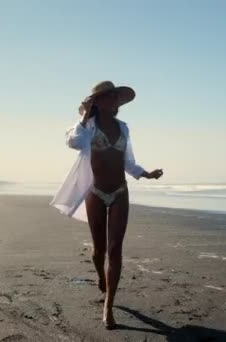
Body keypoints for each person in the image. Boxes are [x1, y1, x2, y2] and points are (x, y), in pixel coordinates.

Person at [51, 81, 163, 329]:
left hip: (120, 192)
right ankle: (101, 276)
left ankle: (108, 305)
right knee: (99, 249)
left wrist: (147, 174)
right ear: (97, 102)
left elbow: (128, 162)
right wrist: (83, 115)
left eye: (116, 98)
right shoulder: (87, 128)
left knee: (115, 249)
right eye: (109, 98)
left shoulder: (123, 128)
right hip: (95, 192)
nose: (115, 103)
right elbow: (73, 143)